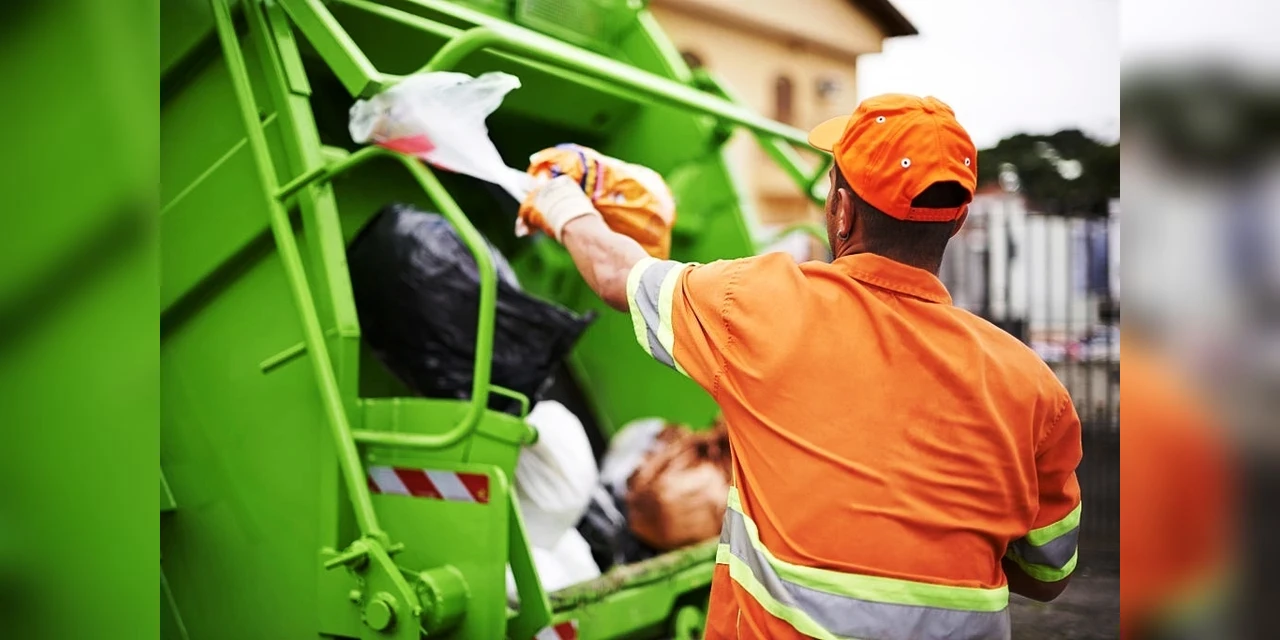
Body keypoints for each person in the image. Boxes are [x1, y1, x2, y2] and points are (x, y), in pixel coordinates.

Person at [520, 94, 1082, 640]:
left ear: (842, 211)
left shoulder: (758, 304)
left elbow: (616, 275)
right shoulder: (1033, 388)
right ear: (956, 222)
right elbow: (1048, 573)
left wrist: (561, 199)